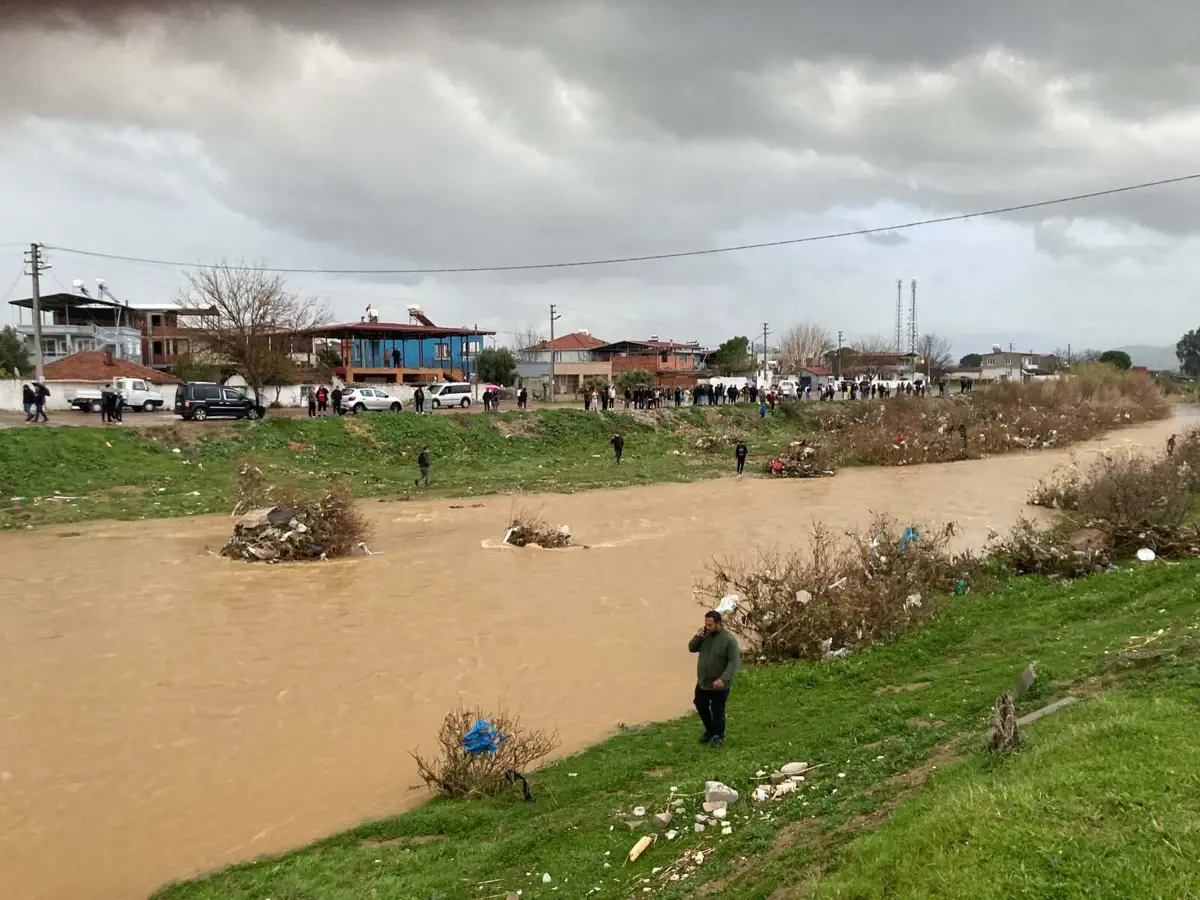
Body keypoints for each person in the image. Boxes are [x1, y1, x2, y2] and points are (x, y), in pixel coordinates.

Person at [688, 610, 740, 748]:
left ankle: (718, 736)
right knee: (700, 704)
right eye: (706, 624)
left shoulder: (729, 640)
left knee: (718, 710)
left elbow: (733, 663)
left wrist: (723, 679)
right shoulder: (704, 636)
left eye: (710, 625)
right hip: (703, 682)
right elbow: (691, 649)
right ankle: (710, 731)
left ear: (718, 623)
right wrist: (697, 637)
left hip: (720, 684)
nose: (707, 627)